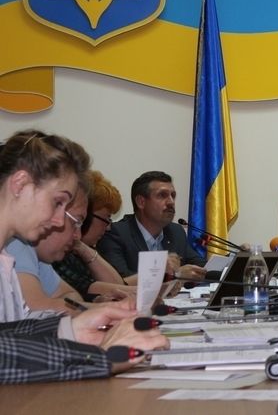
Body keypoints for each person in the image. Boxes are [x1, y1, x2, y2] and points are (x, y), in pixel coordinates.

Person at [0, 130, 168, 382]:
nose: (59, 220)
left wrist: (72, 329)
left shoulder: (6, 259)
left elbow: (7, 334)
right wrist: (97, 358)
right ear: (20, 184)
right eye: (58, 202)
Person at [97, 171, 206, 280]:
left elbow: (201, 267)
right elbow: (120, 280)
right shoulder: (116, 234)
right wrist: (175, 274)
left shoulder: (176, 231)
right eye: (162, 195)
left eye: (173, 195)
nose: (171, 202)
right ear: (141, 202)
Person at [53, 170, 138, 299]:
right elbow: (87, 287)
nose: (109, 227)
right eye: (106, 218)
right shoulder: (58, 252)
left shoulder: (89, 248)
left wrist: (83, 248)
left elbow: (119, 284)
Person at [6, 187, 92, 315]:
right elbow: (36, 310)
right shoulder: (16, 244)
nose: (78, 236)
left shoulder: (36, 254)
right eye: (76, 222)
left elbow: (71, 295)